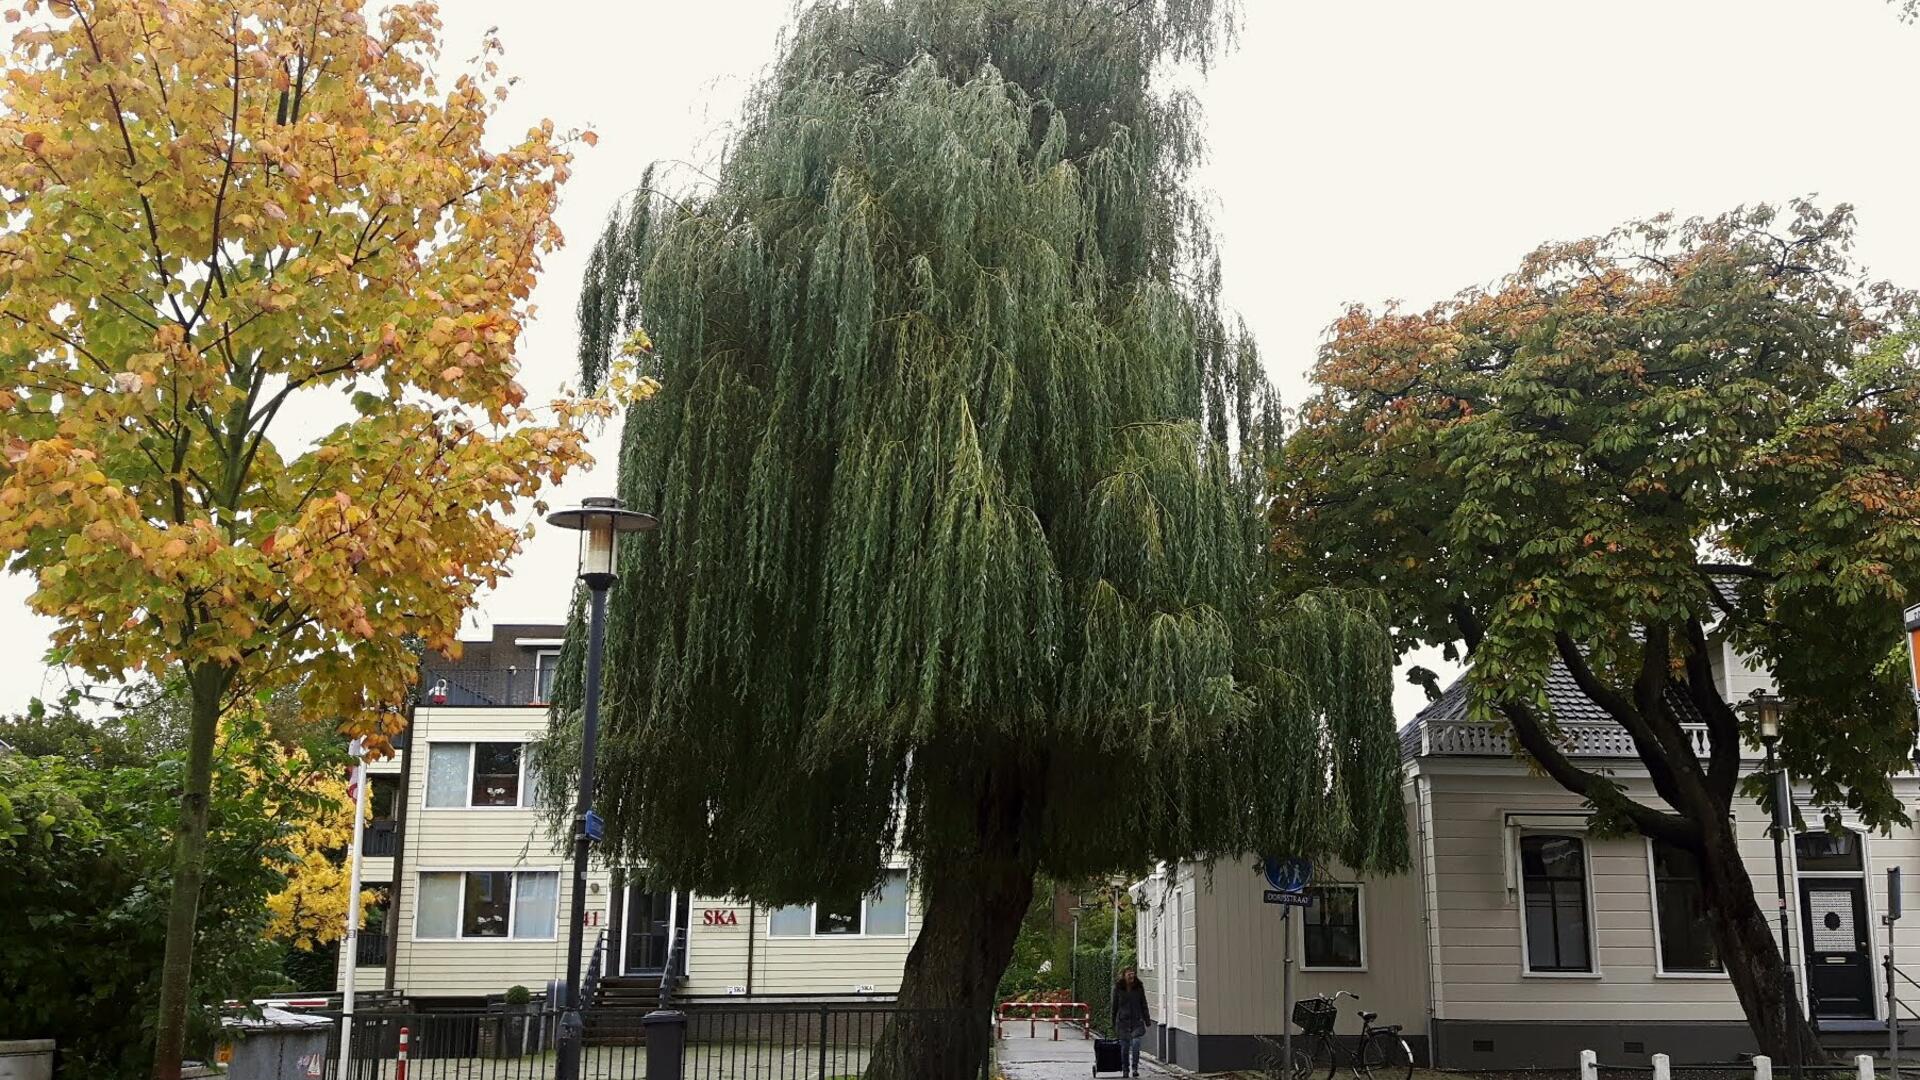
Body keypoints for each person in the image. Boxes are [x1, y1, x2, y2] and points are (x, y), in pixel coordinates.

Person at [1111, 967, 1152, 1077]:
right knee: (1124, 1047)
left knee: (1136, 1044)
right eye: (1129, 974)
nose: (1131, 976)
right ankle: (1125, 1069)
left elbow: (1143, 1003)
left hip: (1136, 1021)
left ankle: (1135, 1068)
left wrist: (1147, 1019)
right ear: (1124, 975)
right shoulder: (1119, 988)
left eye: (1133, 974)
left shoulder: (1139, 987)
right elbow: (1114, 1006)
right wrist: (1113, 1021)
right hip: (1123, 1021)